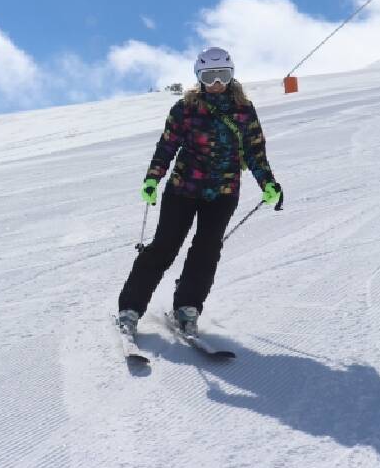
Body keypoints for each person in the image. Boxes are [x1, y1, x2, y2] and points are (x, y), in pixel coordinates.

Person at [117, 46, 283, 337]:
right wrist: (152, 179)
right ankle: (130, 309)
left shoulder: (244, 111)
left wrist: (267, 182)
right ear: (199, 77)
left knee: (206, 251)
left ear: (232, 76)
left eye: (222, 75)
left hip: (223, 192)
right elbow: (166, 146)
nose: (217, 82)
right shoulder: (185, 108)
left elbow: (256, 151)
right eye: (210, 76)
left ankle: (187, 308)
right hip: (183, 188)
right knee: (164, 246)